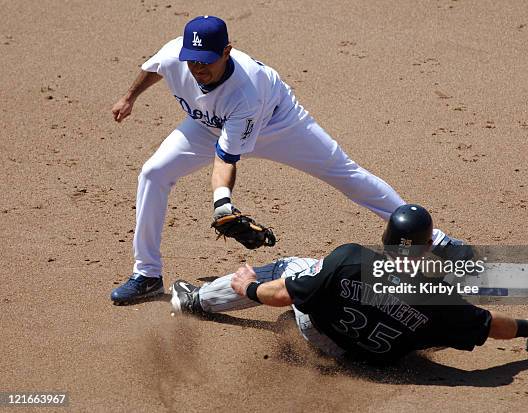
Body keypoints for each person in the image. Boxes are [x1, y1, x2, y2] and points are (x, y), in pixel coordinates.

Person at [110, 15, 469, 304]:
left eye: (205, 62)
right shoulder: (179, 54)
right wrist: (129, 97)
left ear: (227, 52)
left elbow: (225, 157)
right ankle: (147, 275)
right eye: (191, 60)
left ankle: (435, 239)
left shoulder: (246, 92)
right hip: (207, 124)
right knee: (153, 172)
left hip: (280, 125)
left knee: (345, 174)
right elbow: (155, 68)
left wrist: (222, 204)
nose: (196, 68)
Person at [170, 205, 528, 361]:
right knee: (449, 323)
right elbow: (490, 324)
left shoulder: (350, 259)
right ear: (428, 247)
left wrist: (249, 287)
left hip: (320, 331)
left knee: (296, 268)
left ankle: (195, 302)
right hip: (364, 356)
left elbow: (281, 294)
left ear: (386, 240)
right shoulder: (439, 297)